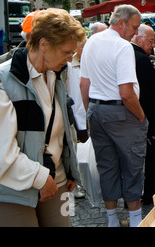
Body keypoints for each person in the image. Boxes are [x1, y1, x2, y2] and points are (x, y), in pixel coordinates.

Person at [0, 8, 85, 227]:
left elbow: (63, 129)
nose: (70, 59)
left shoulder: (57, 75)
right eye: (66, 52)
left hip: (58, 181)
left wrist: (70, 169)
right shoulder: (1, 82)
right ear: (44, 44)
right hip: (13, 190)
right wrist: (40, 178)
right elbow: (0, 151)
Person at [80, 4, 147, 227]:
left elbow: (84, 84)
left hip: (97, 110)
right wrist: (141, 116)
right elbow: (126, 92)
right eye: (134, 27)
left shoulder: (91, 41)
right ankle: (136, 219)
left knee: (106, 165)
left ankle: (112, 220)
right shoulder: (123, 46)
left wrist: (91, 112)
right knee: (132, 163)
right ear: (121, 23)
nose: (136, 33)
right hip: (121, 112)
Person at [131, 25, 155, 205]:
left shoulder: (126, 53)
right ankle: (152, 192)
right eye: (150, 41)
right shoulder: (142, 59)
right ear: (138, 37)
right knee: (151, 156)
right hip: (144, 116)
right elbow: (149, 96)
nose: (153, 45)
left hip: (129, 116)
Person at [66, 34, 88, 199]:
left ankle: (85, 180)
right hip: (73, 115)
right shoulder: (68, 65)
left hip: (84, 114)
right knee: (72, 150)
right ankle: (75, 184)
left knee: (83, 150)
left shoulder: (84, 63)